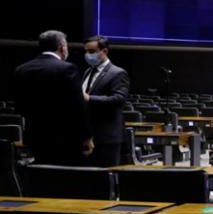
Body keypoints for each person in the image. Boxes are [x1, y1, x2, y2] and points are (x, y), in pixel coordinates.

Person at [13, 30, 92, 166]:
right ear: (61, 47)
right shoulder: (67, 68)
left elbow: (19, 106)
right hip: (66, 139)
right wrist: (87, 137)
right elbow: (77, 107)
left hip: (35, 137)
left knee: (41, 180)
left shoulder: (21, 69)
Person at [80, 35, 130, 167]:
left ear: (105, 51)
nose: (87, 55)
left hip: (107, 138)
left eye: (91, 52)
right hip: (88, 136)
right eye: (86, 51)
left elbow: (118, 100)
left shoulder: (118, 73)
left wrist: (89, 98)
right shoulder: (87, 72)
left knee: (105, 180)